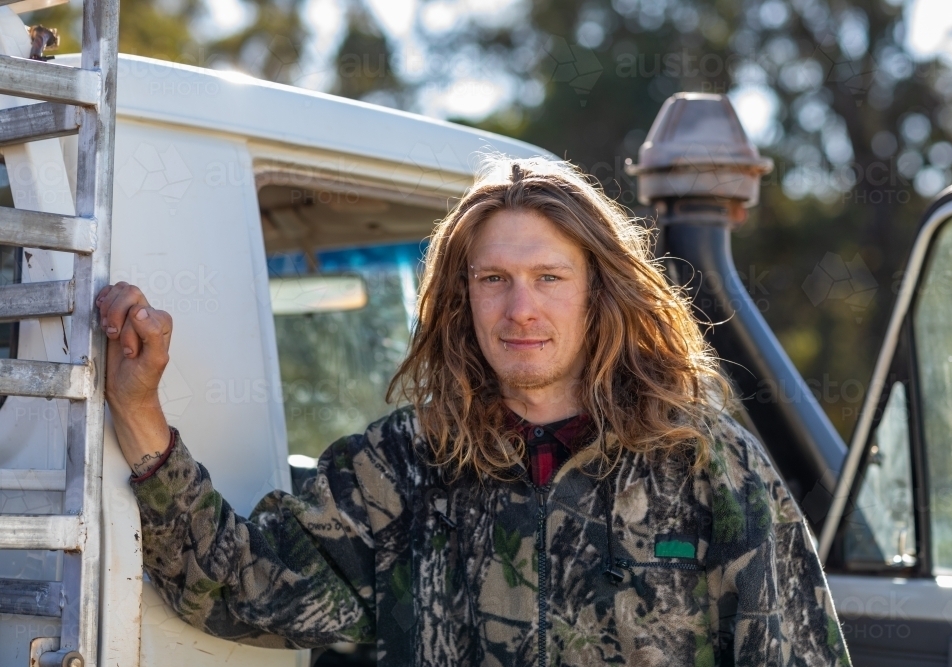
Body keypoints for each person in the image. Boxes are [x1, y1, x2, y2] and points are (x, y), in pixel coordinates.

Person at [99, 157, 851, 666]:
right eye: (495, 278)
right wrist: (138, 411)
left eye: (548, 277)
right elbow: (237, 583)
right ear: (463, 296)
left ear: (597, 292)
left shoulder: (706, 468)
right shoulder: (396, 469)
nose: (520, 308)